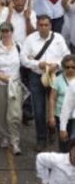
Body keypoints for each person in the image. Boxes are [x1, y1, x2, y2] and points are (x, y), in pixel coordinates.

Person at [21, 15, 70, 151]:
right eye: (41, 25)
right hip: (37, 76)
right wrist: (38, 64)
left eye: (46, 25)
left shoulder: (58, 38)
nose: (43, 28)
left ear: (50, 26)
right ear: (37, 26)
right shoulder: (30, 39)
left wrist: (57, 65)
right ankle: (41, 138)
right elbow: (23, 59)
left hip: (56, 76)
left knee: (57, 108)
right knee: (38, 110)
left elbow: (66, 56)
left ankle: (54, 131)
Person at [0, 22, 23, 155]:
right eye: (3, 31)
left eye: (8, 31)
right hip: (0, 84)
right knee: (0, 113)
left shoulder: (19, 46)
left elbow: (25, 61)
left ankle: (15, 141)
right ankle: (5, 136)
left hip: (15, 84)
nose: (6, 33)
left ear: (12, 32)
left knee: (14, 115)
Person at [49, 54, 75, 152]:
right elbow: (52, 98)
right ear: (63, 67)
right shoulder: (58, 80)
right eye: (67, 67)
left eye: (73, 67)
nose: (70, 69)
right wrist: (51, 116)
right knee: (64, 142)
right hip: (61, 114)